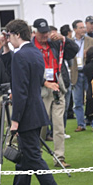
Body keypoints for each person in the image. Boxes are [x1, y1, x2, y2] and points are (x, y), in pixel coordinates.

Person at [0, 19, 65, 185]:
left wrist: (15, 120)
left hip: (27, 115)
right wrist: (5, 47)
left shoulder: (23, 55)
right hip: (36, 112)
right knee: (24, 162)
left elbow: (20, 91)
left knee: (34, 159)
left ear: (17, 35)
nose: (9, 39)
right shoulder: (34, 52)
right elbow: (17, 71)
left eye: (10, 35)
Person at [32, 17, 76, 167]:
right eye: (42, 33)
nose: (45, 35)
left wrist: (64, 39)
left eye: (46, 32)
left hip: (58, 88)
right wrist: (44, 82)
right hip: (41, 90)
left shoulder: (56, 43)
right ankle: (36, 155)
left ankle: (59, 157)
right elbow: (29, 71)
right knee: (41, 126)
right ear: (35, 32)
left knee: (59, 125)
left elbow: (74, 51)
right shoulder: (30, 47)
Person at [69, 19, 93, 133]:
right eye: (80, 28)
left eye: (83, 27)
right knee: (77, 101)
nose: (83, 30)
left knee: (91, 99)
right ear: (75, 29)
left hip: (88, 72)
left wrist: (89, 55)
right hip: (76, 73)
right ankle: (81, 124)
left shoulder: (92, 41)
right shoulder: (70, 42)